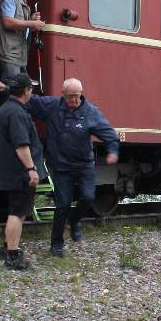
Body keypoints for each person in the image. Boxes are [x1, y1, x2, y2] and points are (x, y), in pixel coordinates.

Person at [27, 78, 120, 257]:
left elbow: (109, 133)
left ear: (81, 93)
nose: (74, 100)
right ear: (63, 94)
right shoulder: (52, 106)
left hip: (84, 165)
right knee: (62, 204)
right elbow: (28, 99)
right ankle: (56, 244)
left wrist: (113, 151)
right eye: (70, 96)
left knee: (88, 196)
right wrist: (6, 89)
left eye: (77, 96)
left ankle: (75, 220)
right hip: (62, 167)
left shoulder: (90, 112)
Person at [0, 72, 46, 271]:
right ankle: (12, 255)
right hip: (19, 172)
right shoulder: (18, 114)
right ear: (26, 91)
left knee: (15, 211)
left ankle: (7, 247)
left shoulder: (6, 108)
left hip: (8, 170)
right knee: (18, 213)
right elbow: (22, 145)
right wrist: (31, 169)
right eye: (31, 88)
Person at [0, 0, 46, 83]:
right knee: (11, 89)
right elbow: (7, 22)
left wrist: (31, 20)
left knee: (20, 89)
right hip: (9, 55)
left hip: (17, 56)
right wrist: (32, 23)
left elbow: (19, 24)